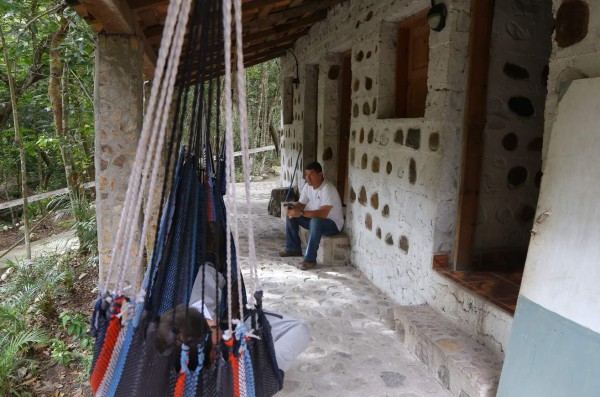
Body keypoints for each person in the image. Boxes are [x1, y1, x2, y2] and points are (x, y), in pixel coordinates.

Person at [279, 161, 344, 270]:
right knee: (291, 213)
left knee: (315, 221)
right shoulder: (308, 186)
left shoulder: (327, 188)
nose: (308, 178)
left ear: (320, 175)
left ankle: (310, 259)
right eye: (306, 174)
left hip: (331, 224)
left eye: (311, 174)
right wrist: (293, 210)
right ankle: (293, 248)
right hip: (315, 222)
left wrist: (300, 213)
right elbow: (301, 204)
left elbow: (323, 214)